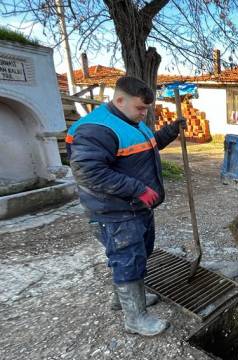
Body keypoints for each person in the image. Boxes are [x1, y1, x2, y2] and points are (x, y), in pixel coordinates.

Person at [66, 76, 185, 336]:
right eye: (140, 108)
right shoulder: (96, 129)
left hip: (135, 208)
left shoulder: (130, 121)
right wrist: (139, 190)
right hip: (115, 210)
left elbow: (145, 148)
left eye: (146, 109)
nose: (144, 114)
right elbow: (89, 172)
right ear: (119, 100)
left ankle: (123, 299)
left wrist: (170, 131)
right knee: (127, 258)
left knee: (136, 255)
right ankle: (135, 319)